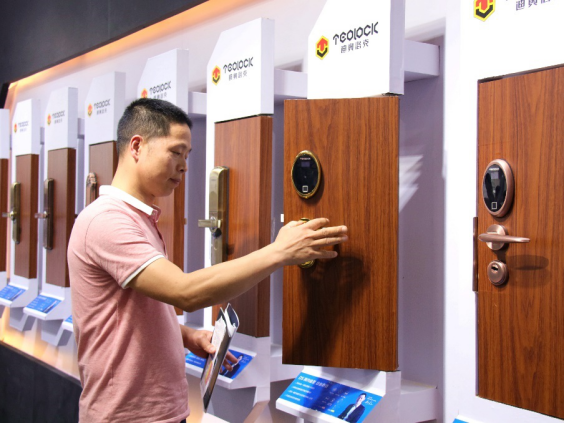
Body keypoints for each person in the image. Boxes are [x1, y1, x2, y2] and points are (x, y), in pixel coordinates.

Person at [68, 98, 348, 422]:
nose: (184, 166)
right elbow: (185, 292)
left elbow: (129, 311)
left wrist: (185, 336)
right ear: (137, 146)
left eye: (187, 156)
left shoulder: (137, 218)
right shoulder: (106, 221)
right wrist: (279, 252)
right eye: (176, 152)